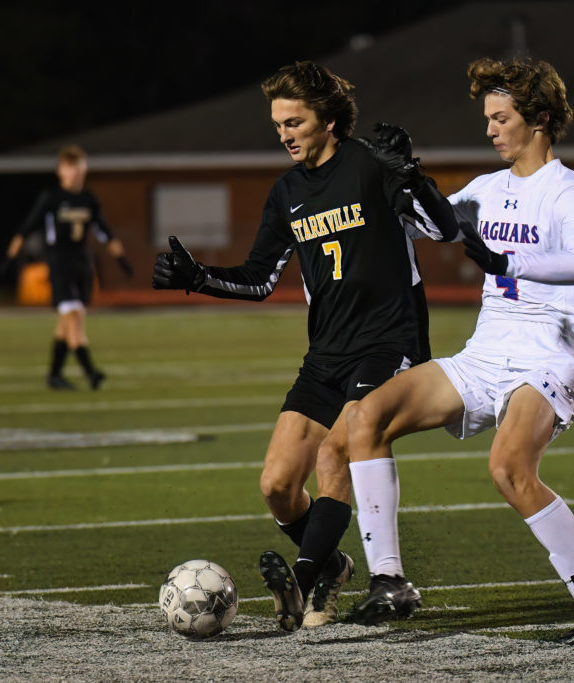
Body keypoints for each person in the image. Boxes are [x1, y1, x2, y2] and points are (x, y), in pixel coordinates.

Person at [342, 56, 574, 645]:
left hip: (553, 353)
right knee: (365, 417)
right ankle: (389, 582)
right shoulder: (485, 189)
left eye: (501, 117)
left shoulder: (567, 189)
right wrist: (405, 177)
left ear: (540, 120)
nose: (490, 129)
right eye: (489, 118)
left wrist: (507, 261)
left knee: (509, 468)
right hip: (487, 353)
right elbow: (431, 225)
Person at [150, 61, 458, 631]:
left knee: (333, 454)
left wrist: (413, 176)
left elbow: (444, 230)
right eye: (278, 125)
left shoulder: (370, 164)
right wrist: (197, 277)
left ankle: (309, 578)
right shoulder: (287, 191)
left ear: (331, 121)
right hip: (326, 354)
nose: (285, 134)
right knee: (276, 485)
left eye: (295, 122)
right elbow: (260, 278)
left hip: (387, 344)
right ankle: (334, 564)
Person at [1, 144, 134, 391]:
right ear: (60, 170)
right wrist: (10, 258)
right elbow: (26, 227)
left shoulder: (88, 199)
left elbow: (104, 232)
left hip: (82, 263)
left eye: (78, 167)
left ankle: (54, 375)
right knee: (74, 316)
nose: (74, 172)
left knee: (67, 321)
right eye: (69, 167)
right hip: (59, 261)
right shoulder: (51, 198)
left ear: (84, 169)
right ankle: (90, 371)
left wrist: (122, 260)